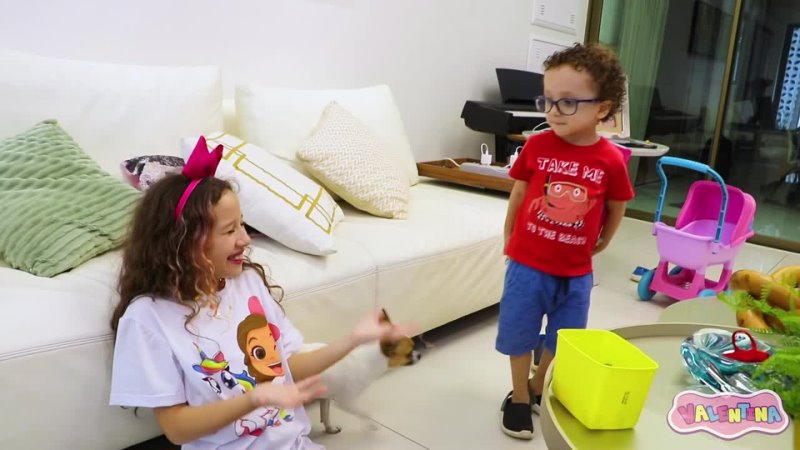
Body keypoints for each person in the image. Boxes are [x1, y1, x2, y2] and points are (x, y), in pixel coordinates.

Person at [109, 138, 412, 449]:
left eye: (243, 226)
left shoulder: (247, 284)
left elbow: (288, 366)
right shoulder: (148, 318)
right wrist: (255, 398)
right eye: (229, 231)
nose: (245, 240)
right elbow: (177, 429)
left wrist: (353, 341)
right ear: (184, 243)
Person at [496, 43, 634, 439]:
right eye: (548, 100)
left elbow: (617, 204)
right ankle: (519, 397)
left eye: (569, 102)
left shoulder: (610, 158)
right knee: (519, 332)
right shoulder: (538, 145)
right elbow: (520, 192)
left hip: (575, 272)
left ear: (603, 109)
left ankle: (540, 386)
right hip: (527, 264)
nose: (553, 111)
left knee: (565, 337)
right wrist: (509, 231)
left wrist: (604, 241)